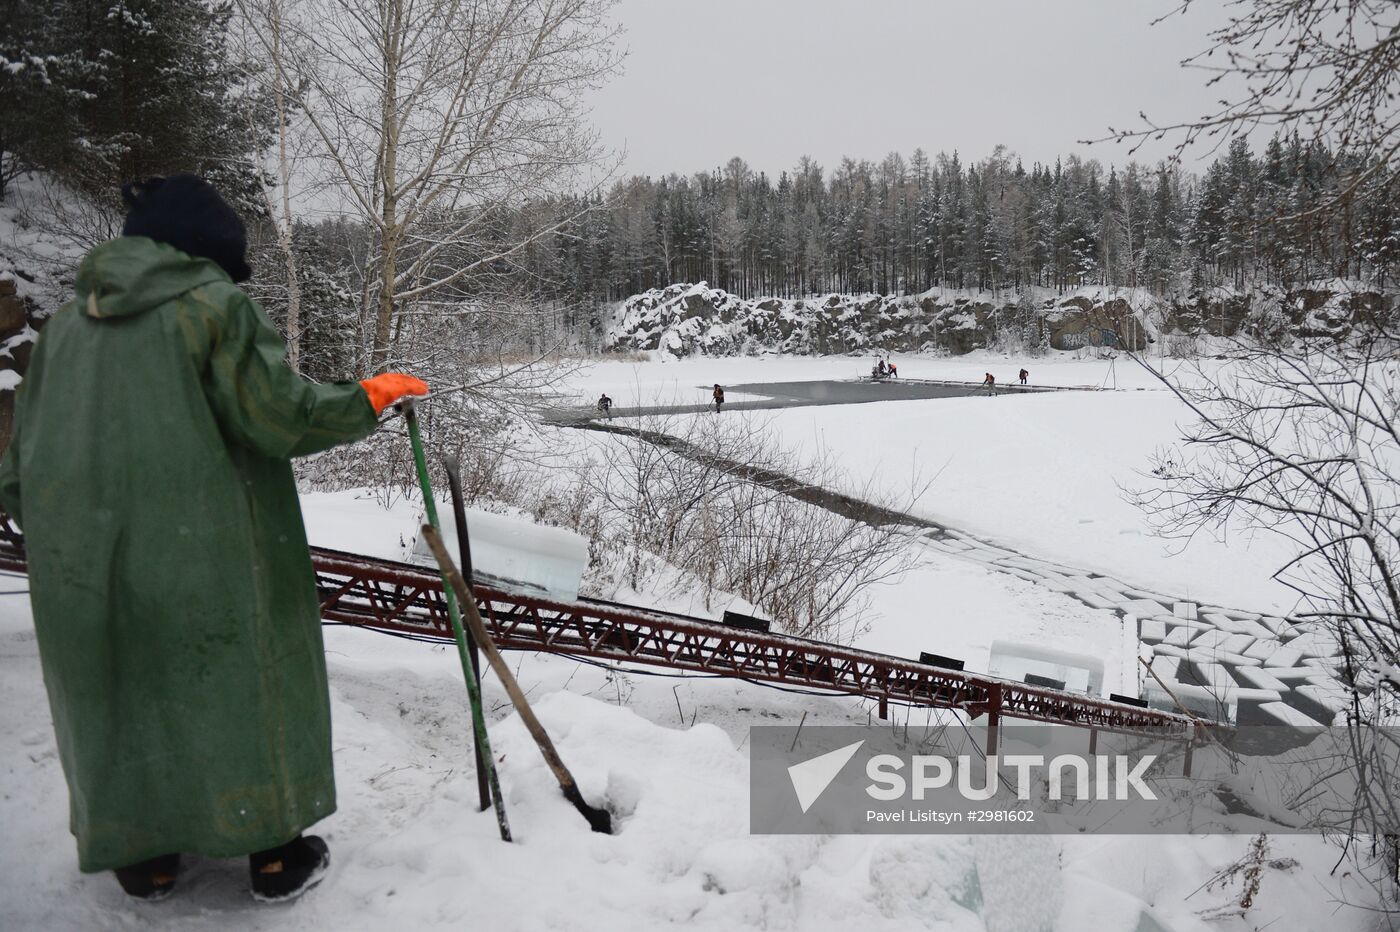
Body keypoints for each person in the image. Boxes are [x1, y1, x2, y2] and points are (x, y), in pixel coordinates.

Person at [0, 175, 429, 903]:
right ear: (204, 253)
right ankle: (272, 855)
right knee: (233, 686)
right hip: (201, 552)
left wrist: (53, 524)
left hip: (82, 564)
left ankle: (145, 856)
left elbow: (20, 460)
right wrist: (366, 398)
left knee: (122, 690)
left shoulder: (69, 327)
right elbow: (277, 415)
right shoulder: (211, 309)